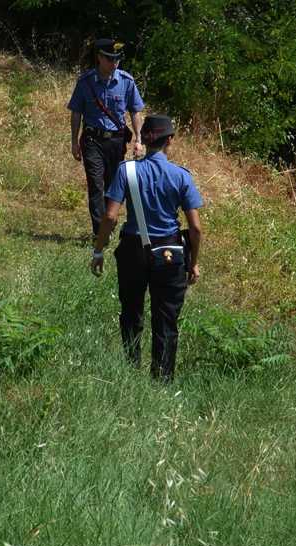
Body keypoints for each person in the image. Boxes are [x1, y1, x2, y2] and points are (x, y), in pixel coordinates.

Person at [90, 115, 203, 382]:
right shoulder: (181, 176)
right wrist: (193, 262)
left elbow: (109, 217)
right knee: (166, 320)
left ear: (146, 140)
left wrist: (98, 250)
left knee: (131, 312)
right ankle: (161, 380)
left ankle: (130, 371)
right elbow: (196, 228)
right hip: (169, 253)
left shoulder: (125, 171)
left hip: (132, 251)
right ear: (170, 141)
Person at [67, 38, 145, 235]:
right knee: (95, 184)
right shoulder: (85, 82)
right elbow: (76, 112)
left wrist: (138, 139)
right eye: (110, 59)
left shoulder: (126, 82)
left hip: (116, 142)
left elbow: (135, 111)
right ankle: (99, 232)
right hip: (92, 139)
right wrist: (74, 142)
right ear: (99, 58)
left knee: (113, 187)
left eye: (117, 59)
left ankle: (109, 224)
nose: (114, 63)